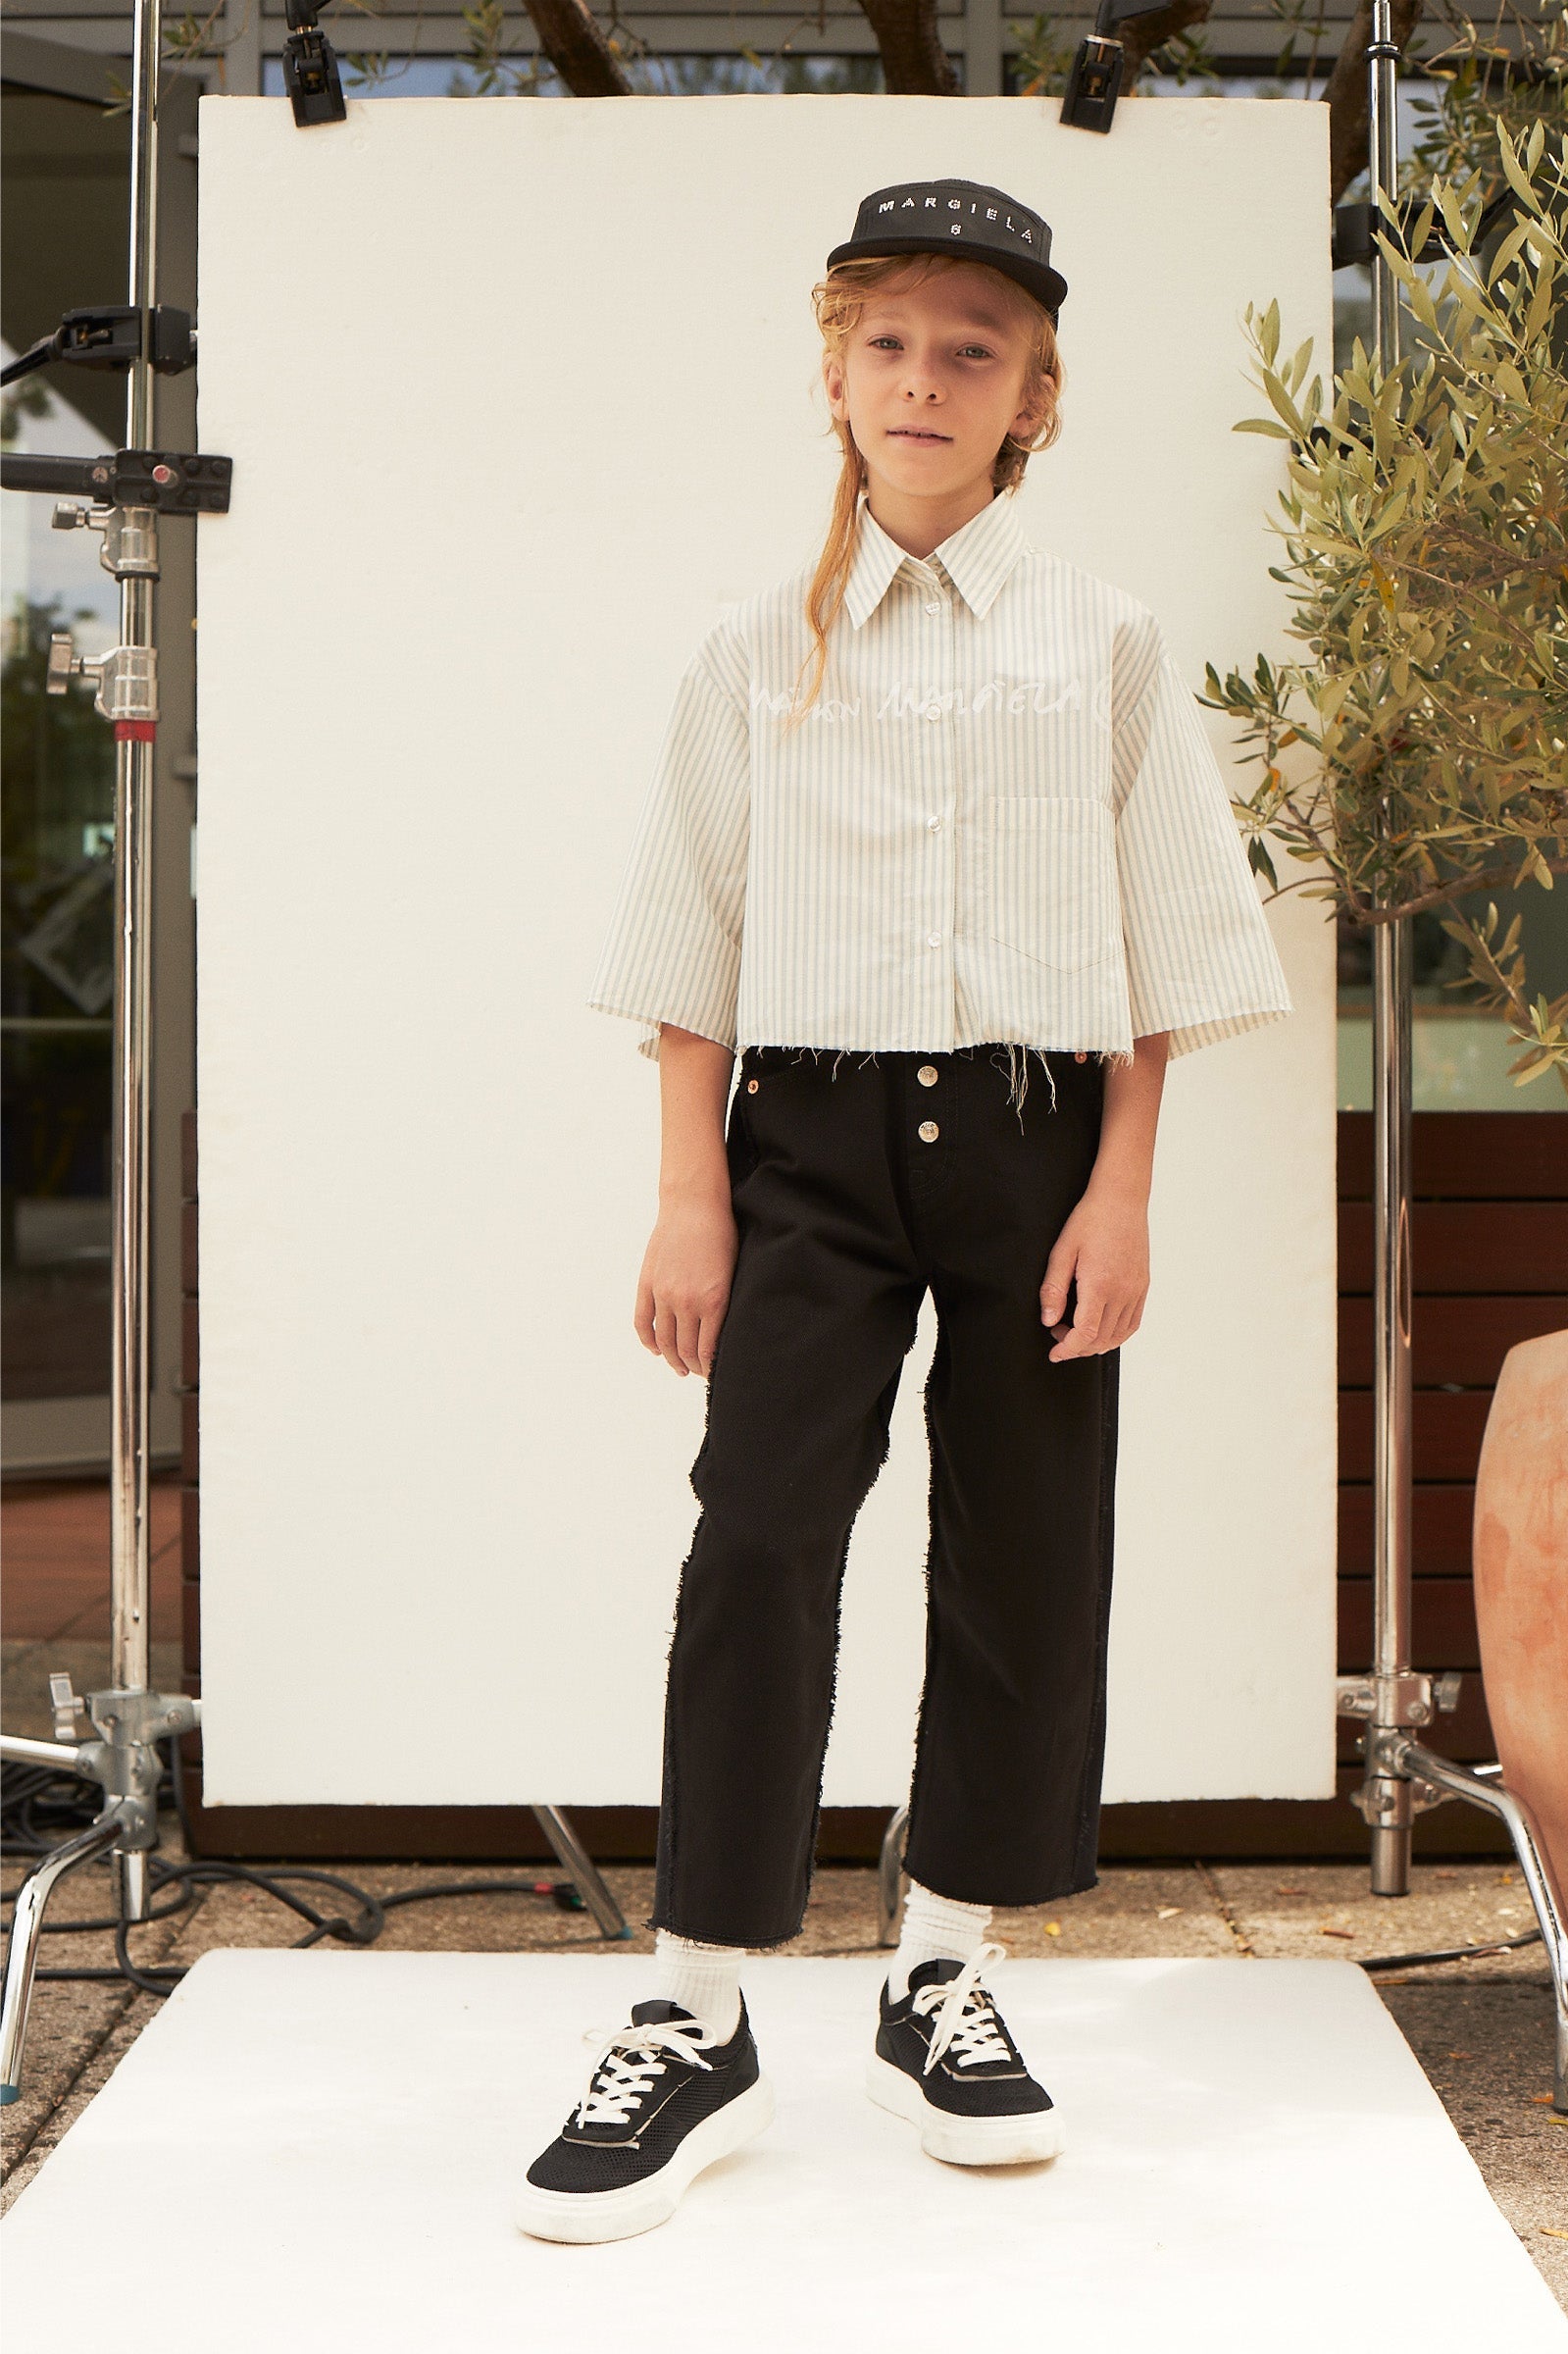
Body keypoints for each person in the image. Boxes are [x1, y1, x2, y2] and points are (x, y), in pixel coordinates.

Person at [517, 176, 1293, 2246]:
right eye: (887, 342)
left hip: (1037, 1140)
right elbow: (689, 942)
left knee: (1025, 1546)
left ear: (1035, 395)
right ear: (834, 372)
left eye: (974, 349)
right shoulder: (747, 648)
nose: (925, 378)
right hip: (807, 1145)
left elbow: (1159, 945)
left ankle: (943, 1965)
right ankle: (695, 2004)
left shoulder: (1102, 642)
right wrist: (688, 1194)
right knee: (759, 1533)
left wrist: (1122, 1189)